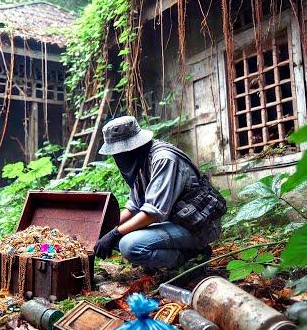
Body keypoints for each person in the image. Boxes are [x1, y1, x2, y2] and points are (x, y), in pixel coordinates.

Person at [93, 116, 227, 286]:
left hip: (200, 227)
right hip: (177, 222)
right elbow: (134, 207)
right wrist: (104, 229)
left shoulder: (163, 158)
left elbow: (152, 213)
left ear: (132, 146)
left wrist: (115, 233)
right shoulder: (141, 161)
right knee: (115, 237)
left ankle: (191, 260)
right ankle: (172, 259)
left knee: (128, 245)